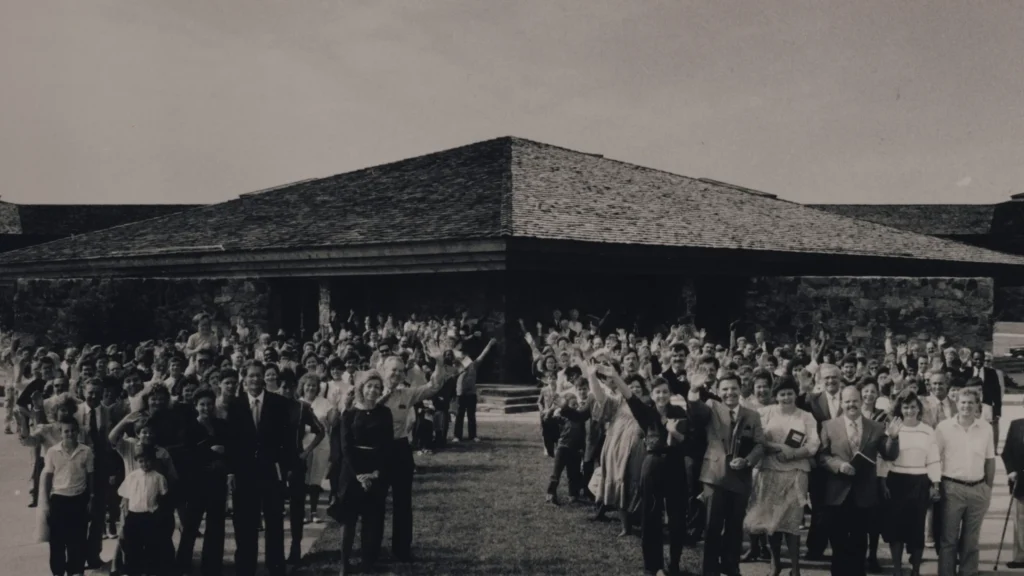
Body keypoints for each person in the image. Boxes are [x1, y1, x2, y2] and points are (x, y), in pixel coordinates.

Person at [609, 370, 688, 576]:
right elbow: (630, 396)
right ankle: (653, 566)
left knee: (677, 517)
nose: (661, 396)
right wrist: (615, 377)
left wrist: (673, 431)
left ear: (670, 393)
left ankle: (674, 563)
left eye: (665, 392)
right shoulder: (647, 413)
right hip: (652, 465)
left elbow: (686, 442)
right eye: (657, 392)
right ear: (652, 394)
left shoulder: (679, 413)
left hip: (675, 466)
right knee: (650, 516)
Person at [819, 385, 901, 576]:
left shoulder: (876, 427)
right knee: (838, 542)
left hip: (864, 494)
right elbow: (822, 457)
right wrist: (838, 465)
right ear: (841, 403)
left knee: (859, 541)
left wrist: (894, 438)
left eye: (855, 400)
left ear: (861, 401)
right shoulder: (828, 426)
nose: (851, 405)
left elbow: (889, 455)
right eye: (847, 401)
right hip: (837, 493)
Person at [744, 375, 820, 576]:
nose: (786, 398)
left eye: (790, 393)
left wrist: (794, 453)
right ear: (775, 396)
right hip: (768, 471)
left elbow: (814, 444)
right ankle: (775, 563)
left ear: (796, 394)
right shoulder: (764, 413)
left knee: (792, 523)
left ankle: (795, 569)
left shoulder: (806, 416)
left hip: (796, 474)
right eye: (782, 394)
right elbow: (758, 439)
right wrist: (780, 447)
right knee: (772, 523)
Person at [225, 360, 295, 576]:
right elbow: (231, 441)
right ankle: (245, 569)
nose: (255, 379)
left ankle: (275, 567)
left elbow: (287, 439)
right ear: (244, 378)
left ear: (265, 377)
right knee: (245, 523)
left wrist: (286, 469)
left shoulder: (279, 403)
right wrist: (231, 472)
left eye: (259, 375)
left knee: (274, 522)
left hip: (270, 471)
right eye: (251, 375)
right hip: (245, 472)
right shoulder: (235, 404)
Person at [694, 371, 765, 576]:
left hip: (740, 478)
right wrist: (694, 390)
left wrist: (747, 461)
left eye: (733, 388)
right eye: (724, 389)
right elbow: (695, 411)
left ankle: (731, 565)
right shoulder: (711, 408)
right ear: (718, 391)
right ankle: (710, 570)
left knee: (735, 527)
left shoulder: (752, 415)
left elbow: (760, 445)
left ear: (740, 389)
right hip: (714, 476)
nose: (729, 393)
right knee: (712, 526)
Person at [379, 355, 445, 562]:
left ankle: (401, 550)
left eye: (400, 371)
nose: (397, 374)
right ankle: (371, 549)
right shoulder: (370, 390)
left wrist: (440, 362)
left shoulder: (406, 394)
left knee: (402, 502)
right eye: (393, 370)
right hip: (376, 452)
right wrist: (385, 394)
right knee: (375, 503)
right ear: (383, 371)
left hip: (399, 450)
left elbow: (433, 387)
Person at [327, 370, 394, 575]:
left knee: (371, 521)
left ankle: (367, 563)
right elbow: (346, 447)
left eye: (377, 387)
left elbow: (387, 446)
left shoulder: (385, 413)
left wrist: (375, 473)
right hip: (351, 472)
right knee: (348, 521)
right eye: (369, 386)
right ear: (361, 389)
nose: (373, 390)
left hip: (375, 472)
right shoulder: (349, 414)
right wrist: (358, 475)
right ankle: (344, 563)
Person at [877, 391, 941, 576]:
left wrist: (935, 485)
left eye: (913, 407)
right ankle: (897, 570)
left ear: (919, 409)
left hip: (919, 483)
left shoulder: (928, 430)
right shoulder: (892, 427)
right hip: (896, 482)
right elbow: (885, 459)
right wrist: (883, 482)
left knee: (916, 530)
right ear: (900, 409)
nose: (910, 410)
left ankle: (915, 571)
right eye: (906, 407)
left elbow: (933, 459)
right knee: (895, 530)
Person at [935, 387, 995, 576]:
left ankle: (968, 573)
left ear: (978, 405)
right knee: (948, 540)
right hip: (951, 488)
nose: (966, 406)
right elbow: (935, 459)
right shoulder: (943, 428)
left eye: (971, 402)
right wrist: (936, 486)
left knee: (971, 541)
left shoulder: (986, 428)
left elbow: (990, 460)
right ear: (956, 404)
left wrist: (987, 488)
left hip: (978, 489)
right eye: (963, 402)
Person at [176, 388, 230, 576]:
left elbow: (229, 450)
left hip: (217, 483)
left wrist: (222, 452)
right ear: (195, 406)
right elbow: (186, 455)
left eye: (209, 404)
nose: (206, 408)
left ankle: (211, 567)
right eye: (202, 404)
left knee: (215, 526)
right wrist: (210, 451)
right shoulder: (189, 428)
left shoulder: (222, 425)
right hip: (197, 484)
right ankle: (182, 565)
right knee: (191, 526)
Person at [798, 363, 843, 561]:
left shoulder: (848, 399)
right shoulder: (812, 399)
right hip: (819, 461)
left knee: (840, 506)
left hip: (844, 460)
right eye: (827, 378)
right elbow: (798, 407)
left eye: (834, 377)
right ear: (821, 381)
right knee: (819, 506)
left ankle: (840, 547)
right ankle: (815, 547)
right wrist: (803, 388)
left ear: (840, 379)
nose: (831, 381)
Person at [42, 417, 94, 576]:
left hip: (79, 499)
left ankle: (75, 571)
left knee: (77, 541)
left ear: (78, 432)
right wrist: (46, 502)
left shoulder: (86, 451)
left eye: (73, 430)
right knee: (57, 541)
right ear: (60, 433)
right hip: (59, 499)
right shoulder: (52, 452)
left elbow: (90, 475)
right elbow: (48, 477)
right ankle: (58, 572)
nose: (70, 434)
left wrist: (91, 497)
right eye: (66, 431)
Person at [118, 446, 169, 576]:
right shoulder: (132, 477)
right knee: (132, 547)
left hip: (150, 517)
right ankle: (132, 572)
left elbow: (163, 496)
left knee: (151, 546)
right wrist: (124, 516)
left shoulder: (158, 477)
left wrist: (159, 516)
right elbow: (125, 497)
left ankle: (150, 571)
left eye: (147, 461)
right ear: (137, 461)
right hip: (133, 516)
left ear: (153, 460)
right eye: (141, 461)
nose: (144, 464)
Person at [453, 338, 497, 442]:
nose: (466, 358)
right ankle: (457, 436)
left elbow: (483, 354)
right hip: (461, 392)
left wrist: (489, 344)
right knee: (459, 415)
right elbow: (454, 354)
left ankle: (473, 436)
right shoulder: (458, 366)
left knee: (471, 415)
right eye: (464, 357)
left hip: (471, 392)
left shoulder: (475, 364)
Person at [1001, 415, 1024, 570]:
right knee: (1021, 520)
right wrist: (1011, 471)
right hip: (1020, 481)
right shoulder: (1016, 425)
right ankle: (1020, 557)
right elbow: (1006, 452)